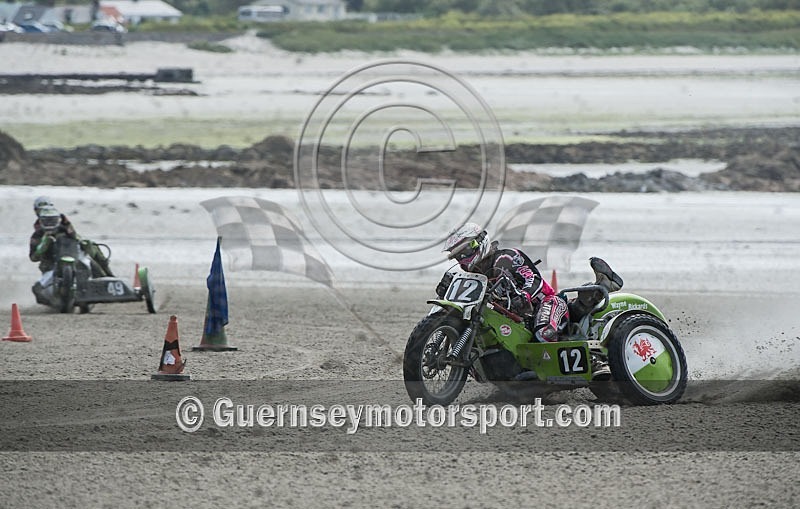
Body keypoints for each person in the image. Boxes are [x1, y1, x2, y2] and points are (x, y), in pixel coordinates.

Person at [441, 222, 623, 343]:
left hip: (546, 302)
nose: (462, 261)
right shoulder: (474, 276)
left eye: (464, 253)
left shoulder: (505, 258)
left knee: (543, 333)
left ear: (478, 243)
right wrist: (447, 291)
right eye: (457, 257)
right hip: (515, 318)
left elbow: (533, 279)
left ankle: (595, 359)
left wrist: (524, 295)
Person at [29, 197, 114, 277]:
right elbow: (33, 257)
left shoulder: (64, 223)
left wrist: (84, 243)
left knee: (93, 247)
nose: (49, 221)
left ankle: (109, 275)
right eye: (41, 210)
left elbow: (74, 235)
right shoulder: (37, 233)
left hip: (70, 254)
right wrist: (42, 248)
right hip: (50, 262)